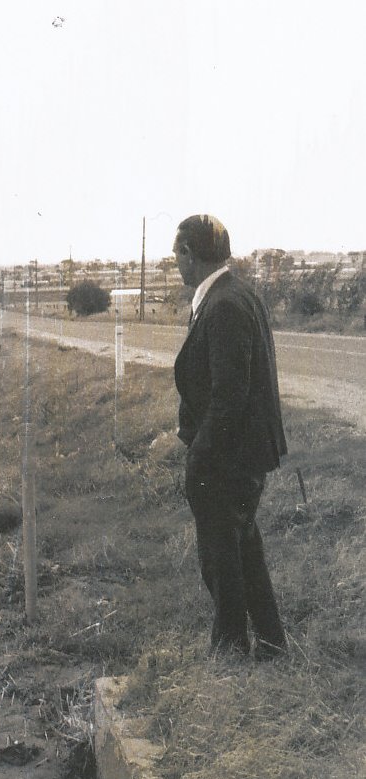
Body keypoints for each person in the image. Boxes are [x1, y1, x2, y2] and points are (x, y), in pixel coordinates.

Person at [172, 214, 287, 659]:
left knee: (221, 555)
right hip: (242, 452)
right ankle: (272, 643)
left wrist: (199, 455)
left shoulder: (223, 305)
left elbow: (229, 397)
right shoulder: (235, 295)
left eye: (177, 254)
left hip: (229, 456)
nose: (176, 264)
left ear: (189, 254)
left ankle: (230, 649)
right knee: (243, 546)